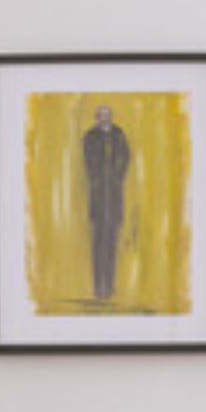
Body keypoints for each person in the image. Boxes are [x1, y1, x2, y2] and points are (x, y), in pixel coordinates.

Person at [82, 105, 131, 301]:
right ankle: (98, 289)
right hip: (98, 196)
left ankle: (109, 288)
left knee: (111, 243)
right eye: (100, 115)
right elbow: (89, 162)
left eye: (107, 115)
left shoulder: (119, 135)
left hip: (114, 197)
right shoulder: (90, 136)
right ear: (96, 117)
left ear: (111, 117)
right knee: (98, 243)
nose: (104, 118)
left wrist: (117, 176)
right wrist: (98, 178)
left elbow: (126, 157)